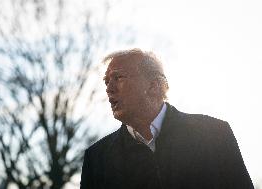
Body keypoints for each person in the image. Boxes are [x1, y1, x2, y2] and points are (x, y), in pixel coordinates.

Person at [80, 49, 254, 189]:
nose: (109, 88)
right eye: (106, 81)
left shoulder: (214, 134)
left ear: (153, 86)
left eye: (118, 78)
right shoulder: (97, 158)